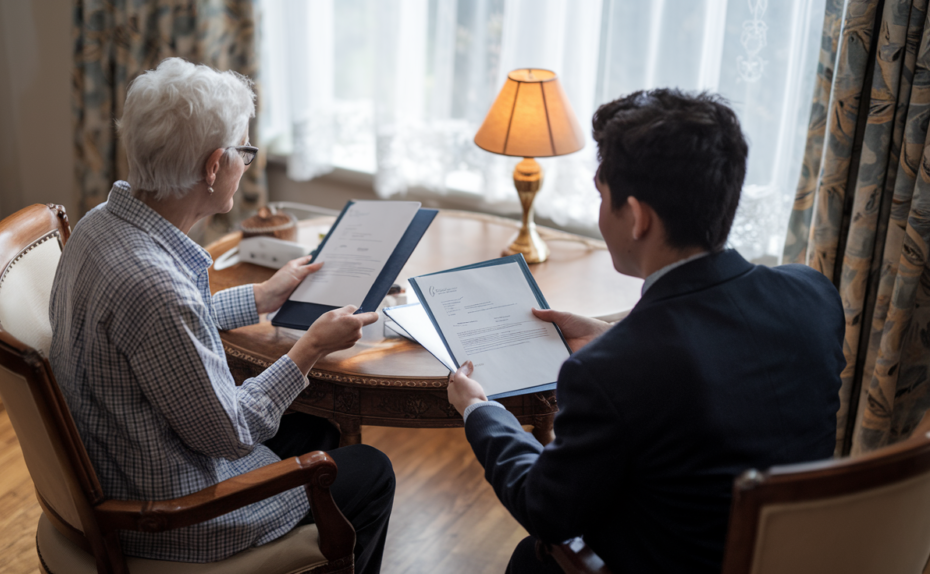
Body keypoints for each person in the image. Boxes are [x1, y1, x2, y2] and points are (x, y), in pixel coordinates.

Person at [447, 89, 844, 573]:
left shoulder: (611, 372)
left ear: (637, 217)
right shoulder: (813, 295)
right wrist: (610, 334)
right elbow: (721, 354)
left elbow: (545, 509)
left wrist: (479, 411)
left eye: (602, 197)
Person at [50, 58, 394, 572]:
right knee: (371, 470)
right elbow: (229, 433)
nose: (246, 164)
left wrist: (261, 297)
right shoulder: (156, 287)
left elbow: (160, 335)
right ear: (214, 166)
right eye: (245, 152)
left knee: (317, 428)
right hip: (167, 510)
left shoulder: (101, 226)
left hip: (117, 459)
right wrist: (311, 347)